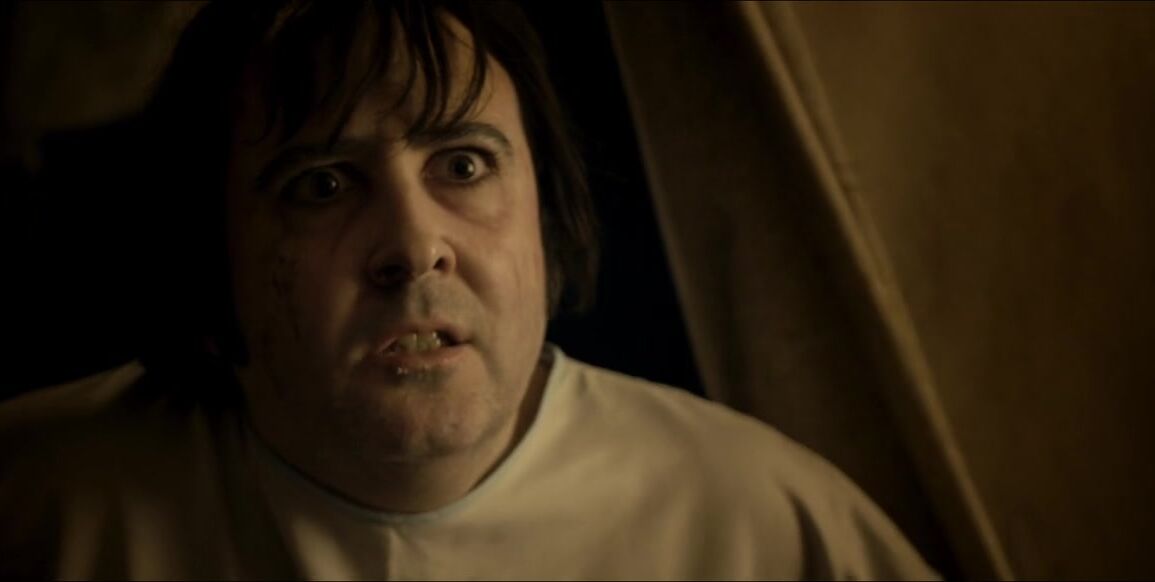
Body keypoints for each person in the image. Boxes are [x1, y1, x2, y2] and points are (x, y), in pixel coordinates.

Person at [0, 1, 938, 579]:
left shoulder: (759, 524)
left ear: (543, 209)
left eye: (462, 164)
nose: (415, 249)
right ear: (213, 250)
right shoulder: (38, 504)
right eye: (321, 185)